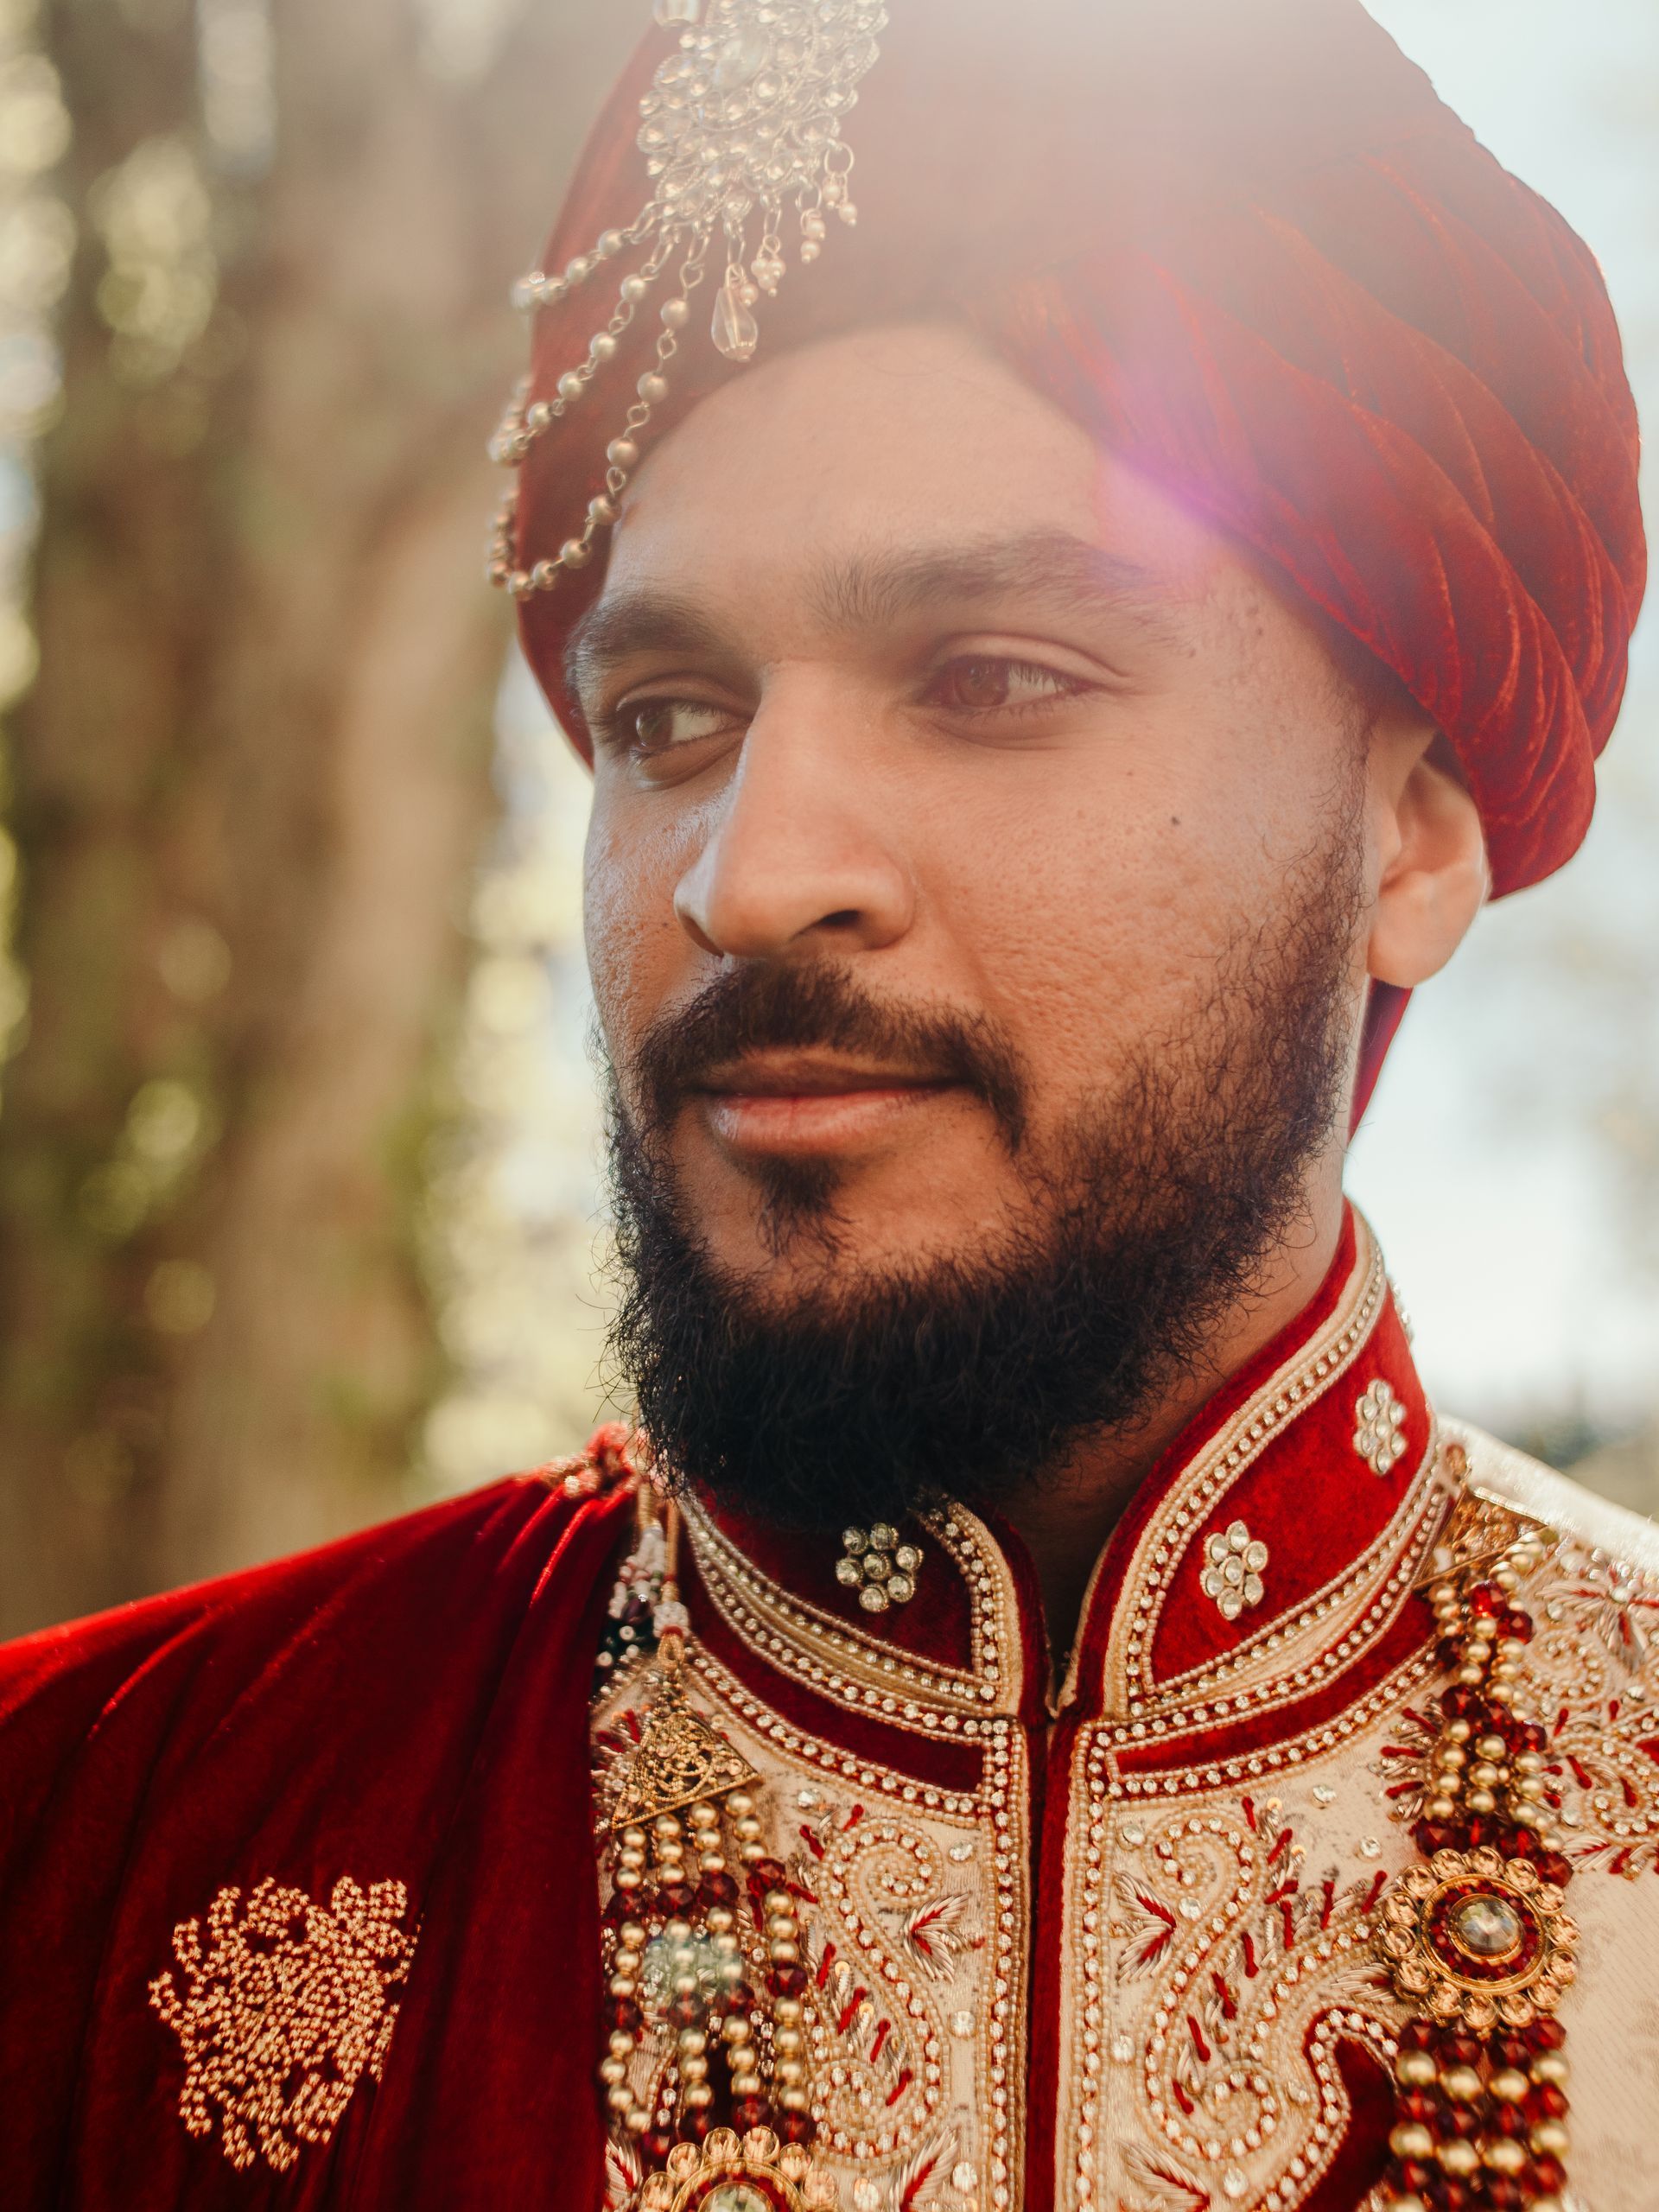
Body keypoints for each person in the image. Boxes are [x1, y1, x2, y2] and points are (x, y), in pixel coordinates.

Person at [1, 0, 1654, 2206]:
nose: (749, 873)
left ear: (1419, 834)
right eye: (669, 715)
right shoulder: (89, 1835)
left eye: (992, 681)